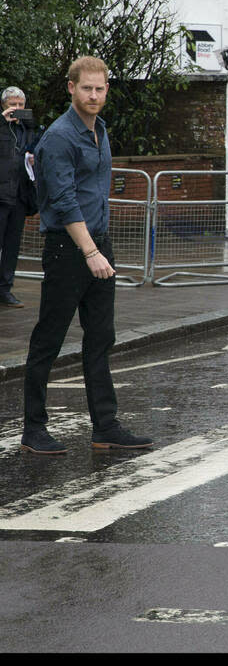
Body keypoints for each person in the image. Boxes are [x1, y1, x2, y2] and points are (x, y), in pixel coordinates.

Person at [20, 56, 153, 455]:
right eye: (86, 88)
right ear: (71, 88)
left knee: (100, 338)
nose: (93, 95)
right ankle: (33, 429)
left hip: (99, 243)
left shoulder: (101, 130)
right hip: (68, 249)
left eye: (100, 89)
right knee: (49, 338)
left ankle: (105, 427)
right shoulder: (60, 137)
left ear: (107, 89)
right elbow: (61, 201)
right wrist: (89, 251)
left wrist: (100, 246)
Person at [0, 87, 38, 309]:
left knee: (12, 246)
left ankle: (5, 289)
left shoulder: (28, 128)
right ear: (4, 106)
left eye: (20, 105)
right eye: (12, 104)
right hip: (1, 194)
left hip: (19, 195)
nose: (16, 109)